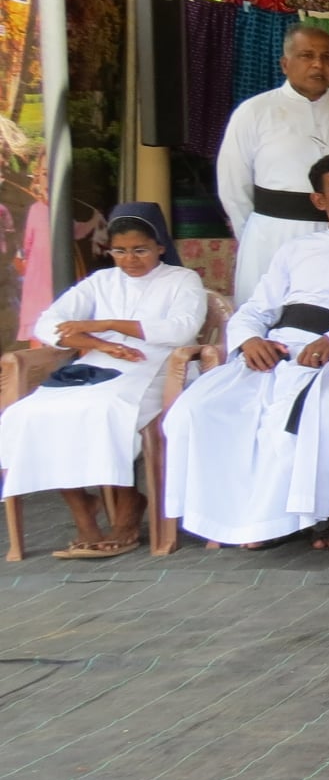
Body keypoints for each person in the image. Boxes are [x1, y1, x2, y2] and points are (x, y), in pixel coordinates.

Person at [164, 154, 329, 550]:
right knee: (197, 409)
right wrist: (249, 340)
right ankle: (236, 515)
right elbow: (257, 308)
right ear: (319, 200)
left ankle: (303, 518)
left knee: (298, 417)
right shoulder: (296, 249)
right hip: (279, 350)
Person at [0, 211, 206, 559]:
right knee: (30, 413)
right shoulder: (100, 281)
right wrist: (99, 343)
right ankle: (84, 512)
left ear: (159, 247)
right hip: (98, 363)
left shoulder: (181, 279)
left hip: (158, 365)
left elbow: (181, 329)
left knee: (105, 410)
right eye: (120, 251)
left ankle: (127, 508)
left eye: (140, 250)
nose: (130, 260)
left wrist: (105, 324)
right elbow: (47, 323)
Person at [216, 24, 329, 303]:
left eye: (327, 57)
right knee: (268, 318)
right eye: (307, 56)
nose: (318, 65)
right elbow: (233, 187)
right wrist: (257, 235)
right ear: (285, 64)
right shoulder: (253, 112)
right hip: (272, 238)